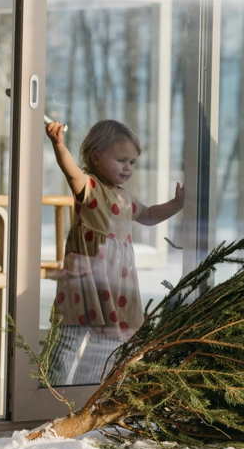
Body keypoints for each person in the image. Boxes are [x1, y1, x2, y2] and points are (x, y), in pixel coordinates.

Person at [45, 118, 184, 386]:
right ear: (95, 157)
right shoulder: (89, 188)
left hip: (115, 288)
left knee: (106, 345)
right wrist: (58, 144)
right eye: (121, 160)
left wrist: (177, 204)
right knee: (65, 342)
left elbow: (151, 215)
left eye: (132, 162)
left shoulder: (126, 198)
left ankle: (83, 396)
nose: (128, 168)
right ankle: (49, 396)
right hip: (82, 285)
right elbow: (71, 171)